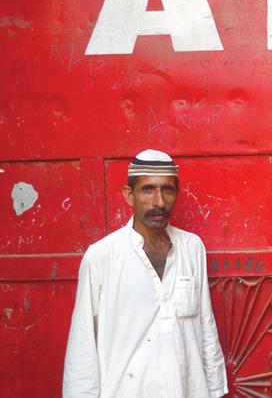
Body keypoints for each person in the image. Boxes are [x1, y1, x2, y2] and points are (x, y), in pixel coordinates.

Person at [63, 149, 228, 398]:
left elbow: (205, 324)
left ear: (177, 194)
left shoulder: (192, 247)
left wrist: (214, 390)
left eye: (167, 190)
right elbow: (83, 341)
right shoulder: (102, 256)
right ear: (130, 195)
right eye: (148, 189)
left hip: (186, 390)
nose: (159, 202)